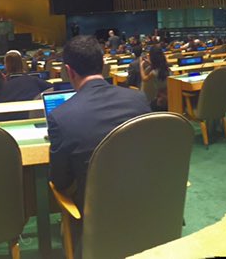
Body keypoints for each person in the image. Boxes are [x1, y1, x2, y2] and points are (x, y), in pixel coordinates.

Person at [47, 36, 151, 204]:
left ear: (69, 71)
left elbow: (60, 182)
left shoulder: (60, 116)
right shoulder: (138, 99)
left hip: (97, 211)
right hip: (145, 201)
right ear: (102, 65)